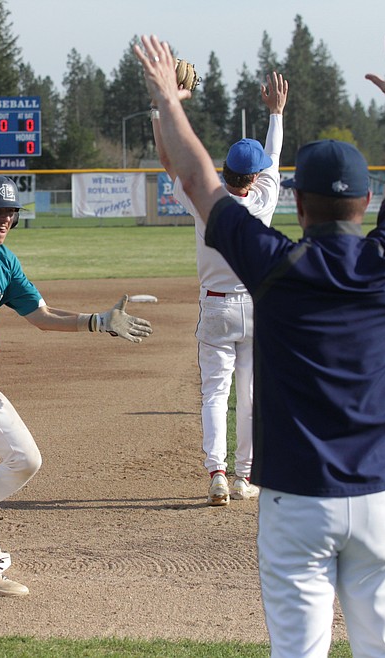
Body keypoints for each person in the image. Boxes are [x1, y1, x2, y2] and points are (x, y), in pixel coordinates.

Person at [135, 29, 385, 658]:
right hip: (378, 495)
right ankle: (228, 467)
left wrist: (168, 99)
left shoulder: (276, 264)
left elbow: (195, 178)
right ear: (367, 202)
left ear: (295, 202)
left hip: (297, 500)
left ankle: (223, 469)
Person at [0, 174, 152, 597]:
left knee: (25, 458)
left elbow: (40, 314)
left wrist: (95, 322)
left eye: (10, 212)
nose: (4, 219)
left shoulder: (4, 262)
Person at [151, 71, 288, 506]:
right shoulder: (264, 202)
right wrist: (276, 114)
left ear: (225, 171)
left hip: (216, 308)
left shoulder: (205, 202)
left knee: (215, 392)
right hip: (258, 306)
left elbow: (170, 160)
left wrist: (166, 105)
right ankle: (247, 477)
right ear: (255, 177)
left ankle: (218, 474)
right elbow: (273, 156)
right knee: (249, 396)